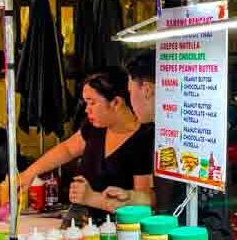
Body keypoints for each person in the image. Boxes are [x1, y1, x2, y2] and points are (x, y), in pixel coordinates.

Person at [124, 50, 235, 240]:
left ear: (146, 89)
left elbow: (214, 215)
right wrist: (129, 198)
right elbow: (171, 199)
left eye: (130, 91)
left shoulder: (198, 136)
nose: (130, 101)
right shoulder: (161, 135)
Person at [20, 68, 153, 218]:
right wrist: (29, 173)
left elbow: (141, 204)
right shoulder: (95, 126)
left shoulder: (143, 139)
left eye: (92, 103)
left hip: (115, 226)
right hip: (81, 219)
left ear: (116, 102)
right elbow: (67, 149)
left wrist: (92, 198)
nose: (86, 110)